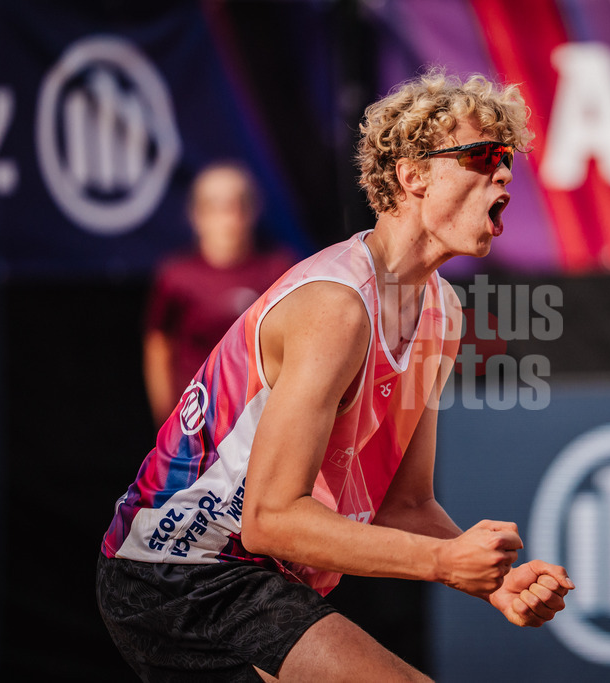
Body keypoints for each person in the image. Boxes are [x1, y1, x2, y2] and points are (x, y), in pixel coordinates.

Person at [97, 69, 574, 682]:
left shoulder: (442, 311)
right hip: (179, 567)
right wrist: (445, 562)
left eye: (507, 160)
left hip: (250, 571)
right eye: (482, 155)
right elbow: (271, 519)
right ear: (413, 174)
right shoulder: (336, 306)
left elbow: (405, 505)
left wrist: (498, 582)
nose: (504, 173)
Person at [143, 161, 294, 426]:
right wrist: (167, 420)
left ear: (252, 210)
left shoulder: (278, 270)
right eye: (215, 206)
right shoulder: (177, 277)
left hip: (263, 420)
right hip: (197, 423)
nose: (228, 217)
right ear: (196, 215)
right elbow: (158, 349)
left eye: (238, 204)